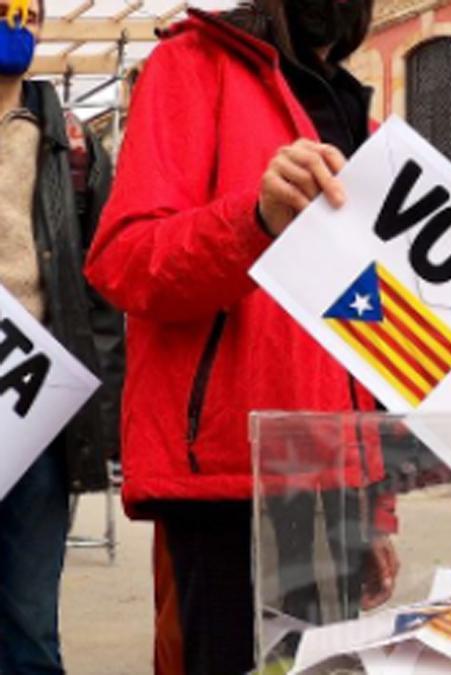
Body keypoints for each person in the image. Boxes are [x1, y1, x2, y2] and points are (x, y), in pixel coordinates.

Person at [83, 2, 399, 672]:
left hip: (335, 479)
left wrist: (376, 501)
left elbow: (365, 333)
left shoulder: (358, 118)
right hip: (224, 478)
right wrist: (254, 217)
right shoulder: (188, 64)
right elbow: (124, 259)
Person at [0, 0, 123, 671]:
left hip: (33, 417)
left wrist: (96, 418)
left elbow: (104, 289)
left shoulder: (69, 142)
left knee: (27, 620)